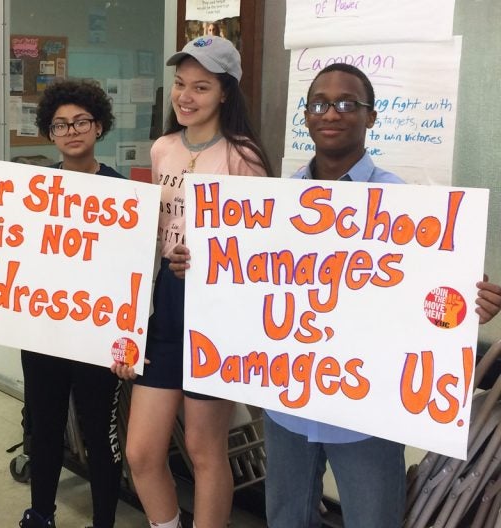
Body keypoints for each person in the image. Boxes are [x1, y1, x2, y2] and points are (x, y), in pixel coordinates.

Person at [252, 63, 501, 528]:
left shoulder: (403, 203)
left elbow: (431, 298)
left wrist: (470, 303)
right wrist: (199, 268)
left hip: (366, 408)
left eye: (348, 103)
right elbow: (245, 280)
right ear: (306, 116)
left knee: (373, 520)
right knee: (285, 519)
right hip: (286, 401)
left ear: (371, 117)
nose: (332, 113)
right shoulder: (276, 202)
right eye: (320, 103)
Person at [0, 79, 126, 528]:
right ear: (49, 133)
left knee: (101, 434)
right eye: (60, 125)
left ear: (98, 126)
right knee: (43, 426)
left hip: (97, 337)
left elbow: (130, 269)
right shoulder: (34, 187)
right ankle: (41, 512)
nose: (71, 131)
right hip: (43, 331)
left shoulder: (123, 193)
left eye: (81, 121)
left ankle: (104, 522)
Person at [112, 36, 274, 528]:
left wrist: (208, 261)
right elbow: (154, 231)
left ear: (225, 93)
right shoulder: (162, 148)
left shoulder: (243, 155)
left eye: (201, 87)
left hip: (216, 313)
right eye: (180, 84)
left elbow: (262, 247)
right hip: (164, 306)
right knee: (141, 453)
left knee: (205, 452)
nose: (185, 96)